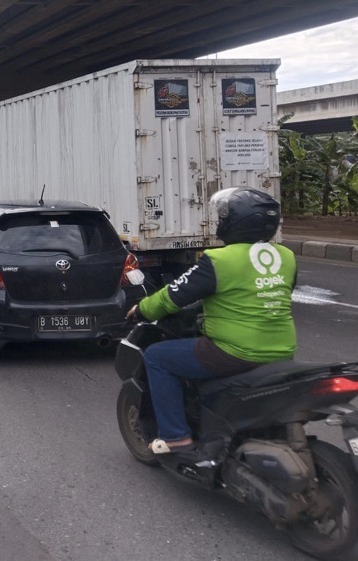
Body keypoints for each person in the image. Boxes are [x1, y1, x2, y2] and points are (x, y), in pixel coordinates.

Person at [126, 187, 297, 454]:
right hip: (283, 352)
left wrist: (141, 310)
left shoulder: (219, 259)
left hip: (233, 352)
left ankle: (175, 437)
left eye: (224, 218)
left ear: (235, 223)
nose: (221, 223)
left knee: (157, 356)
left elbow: (172, 297)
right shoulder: (286, 256)